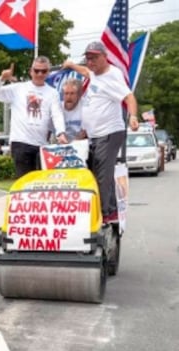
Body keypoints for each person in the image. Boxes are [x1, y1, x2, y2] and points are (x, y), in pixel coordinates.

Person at [63, 41, 140, 224]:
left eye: (94, 58)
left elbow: (129, 97)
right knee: (93, 172)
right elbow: (85, 71)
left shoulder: (112, 76)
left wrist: (133, 116)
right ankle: (106, 209)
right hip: (94, 135)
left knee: (103, 175)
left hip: (110, 133)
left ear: (105, 57)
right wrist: (70, 65)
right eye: (88, 58)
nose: (90, 62)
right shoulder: (93, 73)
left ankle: (106, 214)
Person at [0, 57, 68, 177]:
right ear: (31, 71)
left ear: (48, 72)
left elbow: (57, 114)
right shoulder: (19, 88)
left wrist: (61, 133)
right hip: (21, 142)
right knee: (25, 181)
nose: (40, 74)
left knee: (42, 182)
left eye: (44, 71)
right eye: (36, 71)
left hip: (41, 144)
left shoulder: (53, 93)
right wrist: (2, 78)